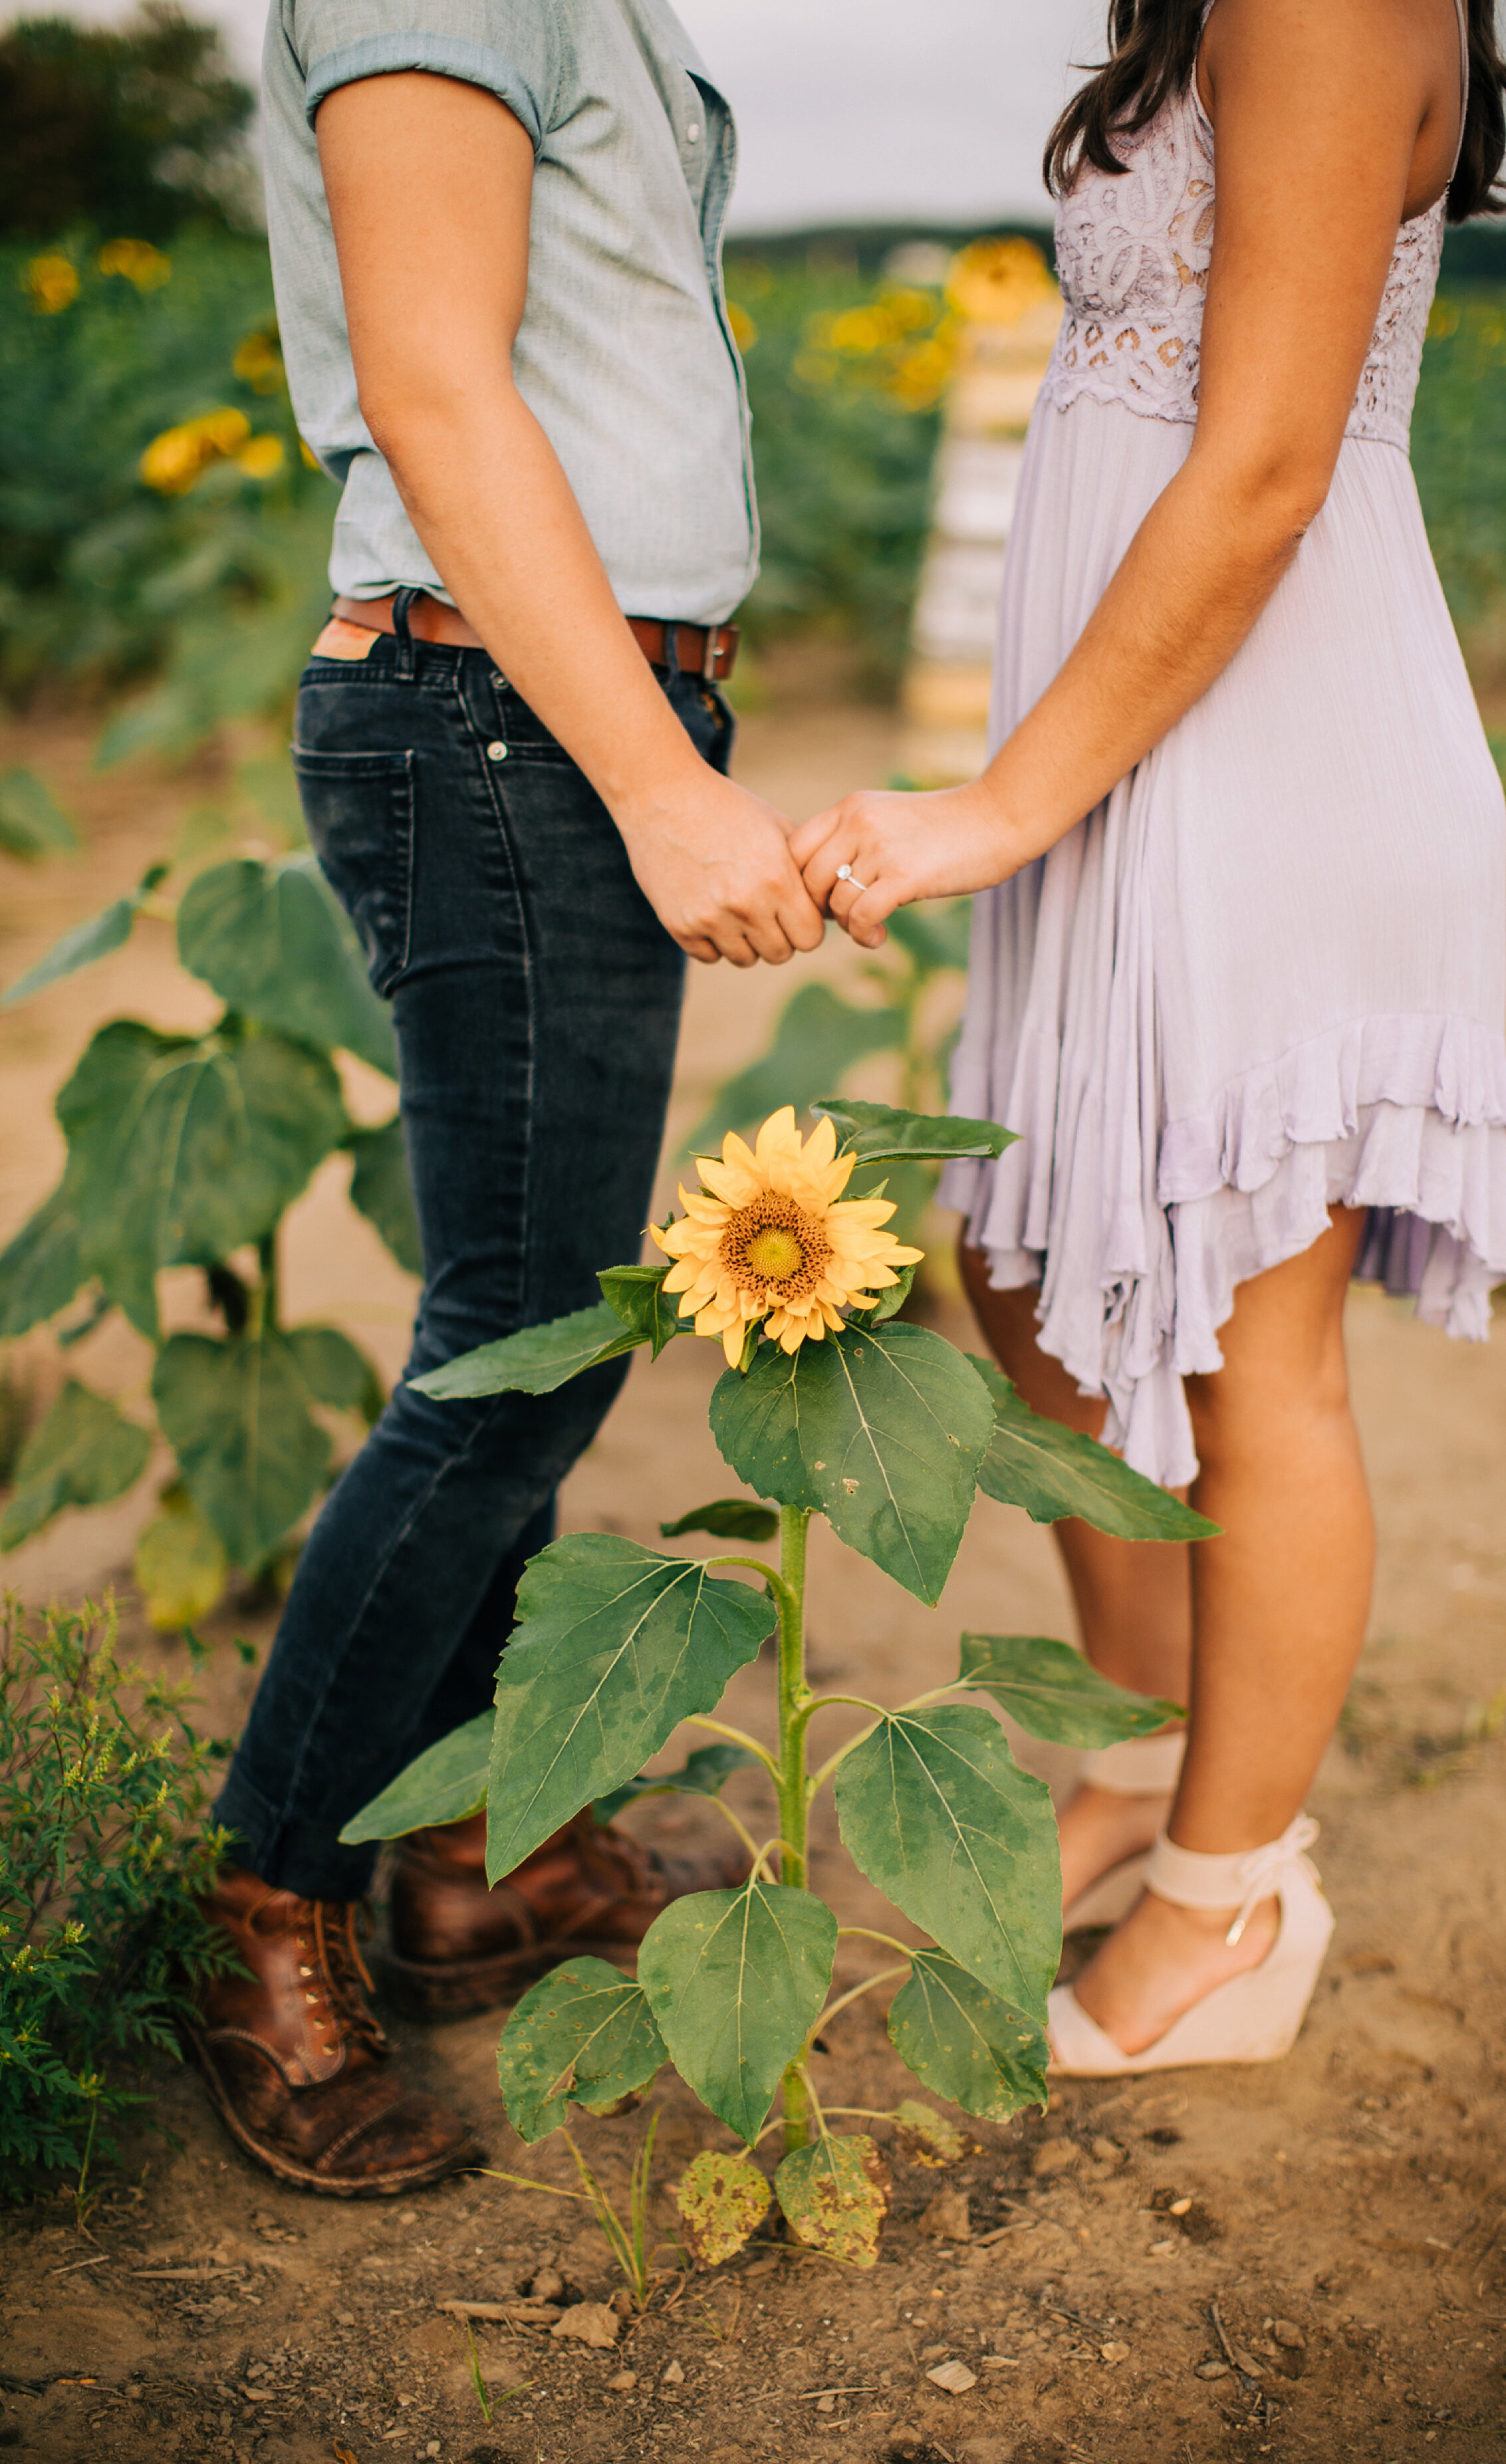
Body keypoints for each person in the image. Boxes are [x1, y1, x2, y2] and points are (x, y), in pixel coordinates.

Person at [794, 0, 1506, 2074]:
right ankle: (1148, 1759)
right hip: (1133, 744)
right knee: (1022, 1270)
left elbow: (1272, 453)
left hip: (1265, 739)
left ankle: (1233, 1896)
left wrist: (1005, 799)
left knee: (1247, 1352)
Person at [192, 0, 826, 2196]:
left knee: (544, 1337)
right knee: (507, 1352)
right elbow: (441, 382)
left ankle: (457, 1850)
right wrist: (651, 780)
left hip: (543, 709)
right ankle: (269, 1901)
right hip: (507, 721)